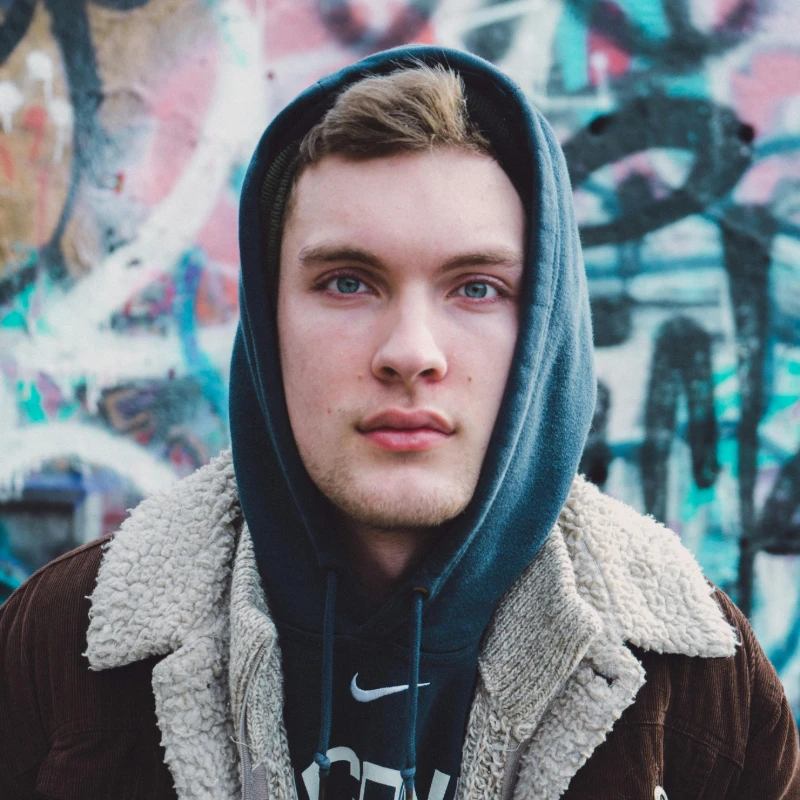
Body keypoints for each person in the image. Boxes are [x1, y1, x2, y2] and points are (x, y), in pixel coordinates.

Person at [0, 46, 797, 800]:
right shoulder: (63, 648)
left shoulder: (694, 681)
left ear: (546, 329)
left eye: (476, 288)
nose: (410, 353)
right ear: (267, 325)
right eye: (347, 283)